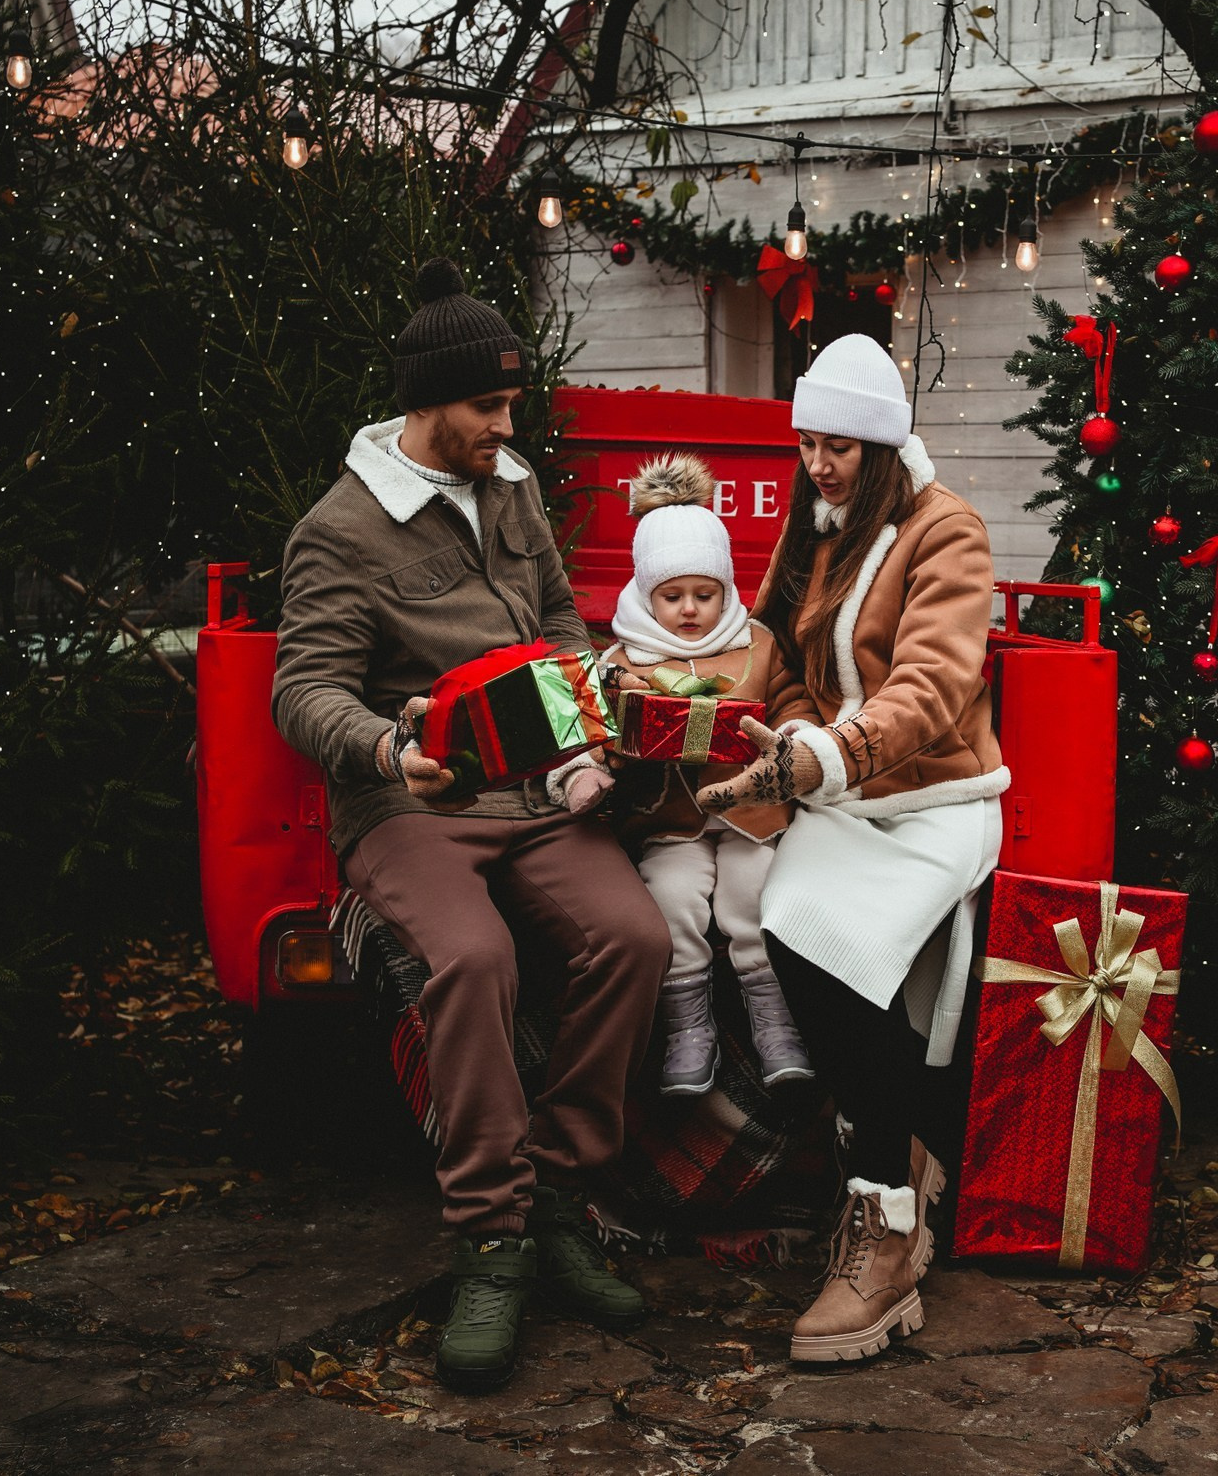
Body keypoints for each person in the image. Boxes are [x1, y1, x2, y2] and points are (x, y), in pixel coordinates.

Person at [270, 258, 667, 1394]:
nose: (508, 422)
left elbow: (554, 620)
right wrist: (392, 751)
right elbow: (304, 692)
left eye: (510, 403)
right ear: (428, 403)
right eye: (489, 407)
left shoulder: (513, 490)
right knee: (474, 955)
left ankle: (557, 1194)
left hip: (540, 791)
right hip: (413, 799)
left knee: (633, 940)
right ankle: (489, 1238)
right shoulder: (339, 531)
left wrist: (598, 711)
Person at [696, 332, 1010, 1365]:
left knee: (833, 950)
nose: (817, 464)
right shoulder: (815, 530)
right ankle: (903, 1157)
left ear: (881, 447)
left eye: (837, 446)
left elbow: (932, 688)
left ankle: (884, 1229)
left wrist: (820, 759)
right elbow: (780, 654)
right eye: (807, 443)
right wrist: (793, 740)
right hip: (838, 792)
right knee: (788, 924)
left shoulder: (945, 532)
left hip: (932, 803)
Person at [546, 453, 813, 1095]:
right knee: (670, 904)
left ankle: (774, 1020)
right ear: (645, 595)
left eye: (705, 594)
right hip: (669, 823)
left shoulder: (758, 644)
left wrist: (795, 739)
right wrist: (584, 772)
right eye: (672, 597)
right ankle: (686, 1023)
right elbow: (581, 728)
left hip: (751, 816)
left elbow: (792, 702)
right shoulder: (619, 660)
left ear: (725, 589)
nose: (690, 610)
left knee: (755, 896)